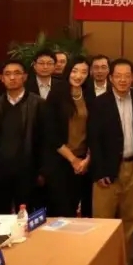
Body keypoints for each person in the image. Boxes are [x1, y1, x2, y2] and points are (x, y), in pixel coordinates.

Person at [89, 58, 133, 265]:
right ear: (111, 78)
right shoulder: (99, 103)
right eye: (118, 76)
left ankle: (128, 262)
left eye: (127, 76)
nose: (123, 80)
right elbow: (94, 139)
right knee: (103, 218)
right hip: (107, 170)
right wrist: (99, 171)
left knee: (131, 217)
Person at [0, 60, 41, 215]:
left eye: (17, 73)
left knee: (27, 218)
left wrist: (42, 171)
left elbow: (45, 140)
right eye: (7, 74)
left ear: (25, 77)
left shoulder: (38, 103)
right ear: (1, 78)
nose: (12, 78)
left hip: (27, 171)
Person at [42, 58, 94, 218]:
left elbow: (95, 129)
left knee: (83, 209)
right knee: (62, 210)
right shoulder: (57, 93)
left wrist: (87, 159)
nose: (79, 76)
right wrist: (73, 160)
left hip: (84, 160)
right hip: (60, 160)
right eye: (75, 71)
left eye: (84, 72)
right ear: (68, 71)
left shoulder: (89, 93)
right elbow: (50, 132)